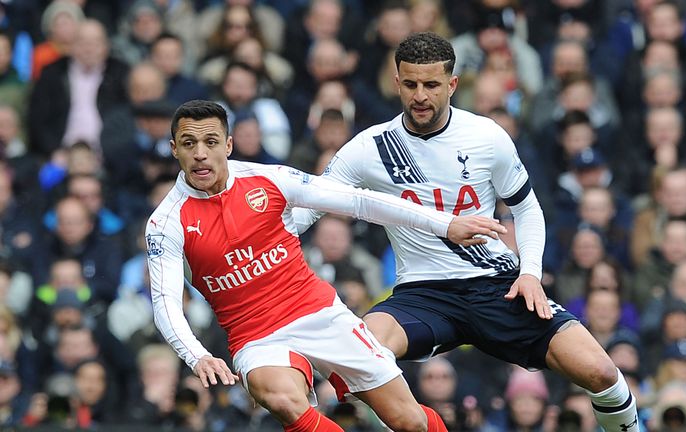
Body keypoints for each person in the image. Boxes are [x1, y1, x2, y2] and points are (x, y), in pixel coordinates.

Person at [293, 32, 640, 432]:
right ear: (396, 83)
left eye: (431, 85)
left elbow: (527, 208)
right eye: (410, 84)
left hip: (496, 284)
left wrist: (529, 272)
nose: (420, 95)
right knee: (364, 348)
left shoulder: (486, 137)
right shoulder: (370, 147)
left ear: (452, 84)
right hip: (424, 293)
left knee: (601, 372)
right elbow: (312, 205)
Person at [146, 99, 507, 432]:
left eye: (210, 141)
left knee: (409, 421)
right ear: (174, 149)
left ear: (227, 145)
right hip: (255, 336)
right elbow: (165, 301)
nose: (200, 154)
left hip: (318, 312)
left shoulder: (270, 179)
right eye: (189, 143)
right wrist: (197, 357)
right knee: (281, 397)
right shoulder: (166, 224)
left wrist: (445, 224)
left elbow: (360, 202)